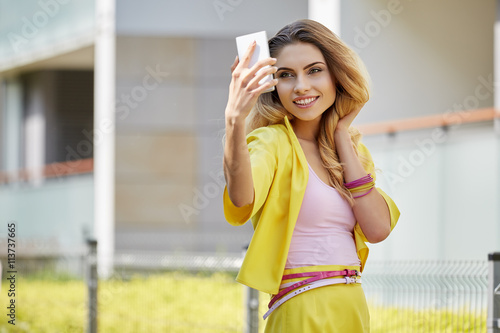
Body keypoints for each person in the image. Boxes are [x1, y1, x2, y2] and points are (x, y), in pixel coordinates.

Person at [222, 19, 400, 332]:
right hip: (301, 307)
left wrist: (342, 134)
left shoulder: (352, 151)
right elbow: (241, 197)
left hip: (352, 306)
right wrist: (235, 120)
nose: (301, 86)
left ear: (337, 75)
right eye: (285, 75)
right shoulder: (271, 141)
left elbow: (378, 228)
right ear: (273, 86)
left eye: (314, 70)